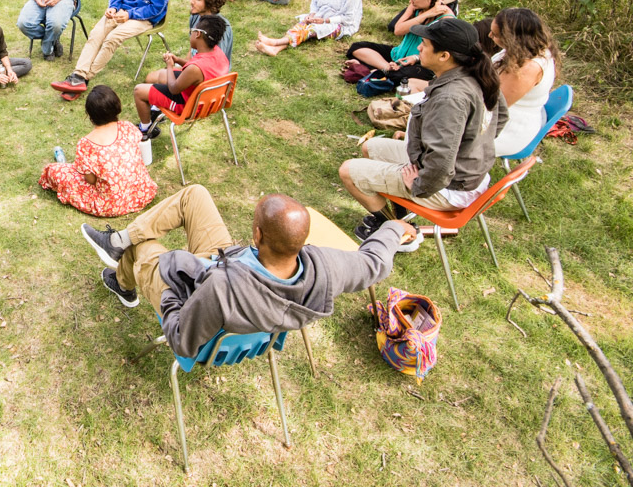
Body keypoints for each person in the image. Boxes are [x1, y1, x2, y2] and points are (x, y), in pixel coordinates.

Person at [78, 186, 413, 356]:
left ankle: (124, 279)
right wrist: (394, 230)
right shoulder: (325, 268)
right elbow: (374, 263)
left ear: (257, 235)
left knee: (145, 249)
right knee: (194, 195)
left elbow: (182, 340)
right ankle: (118, 244)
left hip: (198, 292)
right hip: (224, 264)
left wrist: (169, 291)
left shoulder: (221, 292)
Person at [339, 18, 507, 243]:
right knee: (370, 147)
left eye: (425, 44)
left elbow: (442, 160)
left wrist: (419, 184)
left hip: (447, 185)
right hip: (462, 174)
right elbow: (502, 117)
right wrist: (469, 148)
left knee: (348, 171)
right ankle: (402, 216)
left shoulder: (452, 98)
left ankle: (398, 232)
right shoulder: (477, 73)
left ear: (444, 55)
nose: (419, 48)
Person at [39, 86, 157, 217]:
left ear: (90, 114)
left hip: (112, 204)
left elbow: (91, 181)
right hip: (142, 193)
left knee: (54, 171)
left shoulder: (86, 144)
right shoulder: (128, 127)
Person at [133, 15, 229, 140]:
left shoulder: (195, 68)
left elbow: (174, 88)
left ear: (198, 34)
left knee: (139, 90)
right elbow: (195, 72)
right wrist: (177, 60)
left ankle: (145, 129)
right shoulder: (217, 53)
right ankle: (155, 109)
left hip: (188, 105)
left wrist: (169, 65)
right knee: (158, 76)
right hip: (206, 98)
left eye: (192, 31)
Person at [346, 0, 452, 88]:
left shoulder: (446, 19)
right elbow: (398, 30)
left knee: (401, 77)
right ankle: (386, 68)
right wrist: (426, 14)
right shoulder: (415, 7)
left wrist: (416, 58)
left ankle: (373, 69)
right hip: (398, 54)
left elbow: (441, 52)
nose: (411, 2)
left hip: (420, 62)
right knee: (356, 47)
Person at [488, 8, 558, 158]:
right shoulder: (525, 50)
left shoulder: (529, 68)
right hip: (497, 115)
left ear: (512, 38)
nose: (490, 36)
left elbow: (494, 106)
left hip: (507, 129)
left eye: (495, 35)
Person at [176, 0, 232, 65]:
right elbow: (193, 49)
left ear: (209, 3)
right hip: (194, 65)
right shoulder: (195, 16)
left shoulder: (220, 28)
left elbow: (217, 64)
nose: (191, 1)